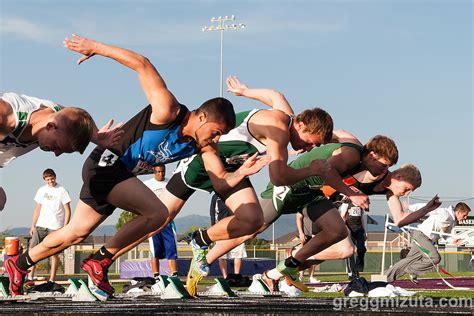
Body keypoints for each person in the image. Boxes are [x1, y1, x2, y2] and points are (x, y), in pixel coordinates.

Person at [4, 34, 240, 296]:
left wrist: (242, 172)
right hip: (107, 164)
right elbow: (143, 64)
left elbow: (219, 180)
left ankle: (19, 264)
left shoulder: (204, 146)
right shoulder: (168, 110)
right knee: (159, 214)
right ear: (203, 116)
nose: (216, 139)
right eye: (216, 132)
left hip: (117, 173)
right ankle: (100, 260)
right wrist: (97, 48)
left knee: (75, 233)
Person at [99, 75, 336, 297]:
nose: (306, 149)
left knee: (252, 221)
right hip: (204, 161)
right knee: (159, 219)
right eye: (308, 143)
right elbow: (279, 177)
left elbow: (275, 95)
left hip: (233, 168)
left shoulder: (287, 115)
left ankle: (200, 240)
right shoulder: (280, 133)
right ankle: (102, 262)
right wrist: (311, 170)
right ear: (302, 126)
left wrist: (245, 92)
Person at [195, 133, 394, 292]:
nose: (384, 170)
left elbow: (341, 134)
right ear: (372, 155)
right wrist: (351, 194)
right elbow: (327, 171)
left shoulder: (358, 152)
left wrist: (321, 143)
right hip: (292, 185)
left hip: (310, 192)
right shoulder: (352, 155)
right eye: (384, 165)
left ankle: (290, 264)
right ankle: (203, 257)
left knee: (337, 231)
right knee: (251, 227)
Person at [262, 163, 442, 291]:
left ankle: (272, 276)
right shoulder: (375, 172)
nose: (408, 194)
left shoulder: (388, 191)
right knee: (347, 249)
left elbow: (400, 219)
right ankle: (295, 255)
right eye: (408, 188)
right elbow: (341, 168)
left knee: (323, 256)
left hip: (329, 209)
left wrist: (427, 208)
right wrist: (349, 192)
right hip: (316, 199)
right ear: (399, 176)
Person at [0, 92, 122, 210]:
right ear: (50, 127)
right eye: (57, 146)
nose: (56, 154)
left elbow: (79, 116)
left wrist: (96, 137)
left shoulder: (58, 117)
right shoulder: (7, 117)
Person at [385, 202, 471, 283]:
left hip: (425, 239)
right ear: (458, 212)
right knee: (435, 258)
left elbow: (444, 234)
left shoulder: (453, 222)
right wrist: (410, 207)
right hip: (422, 236)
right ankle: (411, 270)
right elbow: (427, 207)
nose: (465, 218)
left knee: (408, 260)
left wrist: (452, 240)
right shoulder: (445, 213)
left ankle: (386, 277)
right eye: (464, 215)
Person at [28, 169, 71, 282]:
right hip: (41, 225)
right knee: (32, 250)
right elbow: (37, 208)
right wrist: (33, 225)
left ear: (55, 177)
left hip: (55, 227)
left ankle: (52, 279)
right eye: (47, 180)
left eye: (52, 179)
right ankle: (30, 276)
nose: (50, 181)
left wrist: (65, 227)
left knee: (54, 253)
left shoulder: (62, 190)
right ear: (44, 180)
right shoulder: (41, 190)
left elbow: (67, 210)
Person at [144, 165, 178, 277]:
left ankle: (174, 274)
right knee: (155, 249)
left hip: (168, 220)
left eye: (162, 172)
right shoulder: (147, 184)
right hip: (153, 221)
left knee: (171, 248)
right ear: (154, 172)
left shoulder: (171, 183)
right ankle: (156, 275)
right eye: (158, 172)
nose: (160, 174)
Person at [209, 194, 247, 282]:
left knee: (238, 252)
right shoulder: (216, 196)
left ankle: (236, 276)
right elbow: (212, 213)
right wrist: (213, 228)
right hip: (221, 228)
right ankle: (225, 277)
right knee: (221, 253)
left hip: (237, 226)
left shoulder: (237, 194)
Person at [339, 200, 368, 279]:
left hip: (359, 229)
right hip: (349, 229)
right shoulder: (346, 204)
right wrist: (345, 229)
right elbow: (342, 217)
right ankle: (351, 272)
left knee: (362, 249)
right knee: (350, 251)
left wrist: (365, 232)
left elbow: (362, 219)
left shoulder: (360, 204)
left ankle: (357, 268)